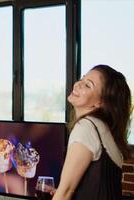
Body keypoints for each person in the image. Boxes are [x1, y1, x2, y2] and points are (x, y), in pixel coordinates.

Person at [53, 65, 131, 200]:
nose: (78, 85)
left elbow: (65, 193)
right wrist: (59, 191)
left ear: (100, 102)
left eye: (88, 85)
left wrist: (61, 193)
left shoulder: (86, 127)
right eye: (82, 79)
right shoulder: (103, 128)